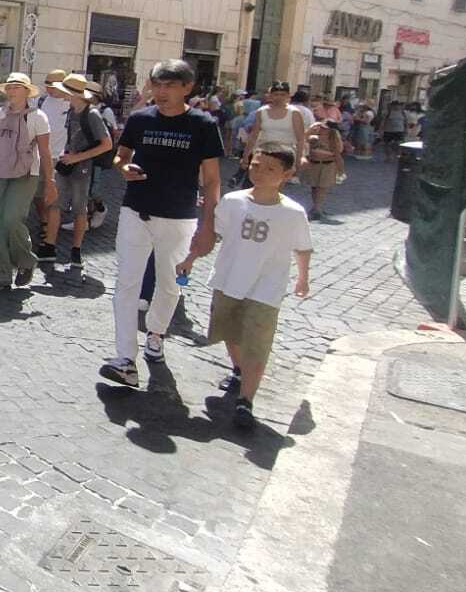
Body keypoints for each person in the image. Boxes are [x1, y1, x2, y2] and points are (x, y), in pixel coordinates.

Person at [101, 59, 223, 389]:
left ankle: (155, 334)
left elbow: (212, 179)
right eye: (157, 84)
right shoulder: (140, 119)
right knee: (126, 284)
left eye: (170, 85)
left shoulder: (203, 124)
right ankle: (125, 358)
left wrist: (209, 225)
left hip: (179, 217)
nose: (162, 91)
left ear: (187, 88)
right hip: (135, 211)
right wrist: (123, 168)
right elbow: (120, 156)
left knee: (169, 284)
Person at [176, 145, 311, 430]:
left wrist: (303, 277)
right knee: (229, 332)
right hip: (229, 280)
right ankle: (238, 368)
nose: (260, 173)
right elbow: (212, 235)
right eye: (256, 165)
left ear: (287, 175)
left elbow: (302, 247)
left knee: (257, 344)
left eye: (270, 169)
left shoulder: (293, 212)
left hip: (266, 288)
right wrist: (190, 258)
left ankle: (245, 401)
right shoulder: (232, 201)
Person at [0, 72, 56, 290]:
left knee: (12, 219)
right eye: (9, 87)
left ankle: (26, 261)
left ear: (27, 92)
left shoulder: (38, 117)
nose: (11, 90)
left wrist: (50, 181)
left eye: (16, 87)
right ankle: (3, 274)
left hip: (26, 173)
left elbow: (45, 151)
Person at [43, 74, 113, 275]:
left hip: (82, 168)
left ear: (74, 94)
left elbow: (107, 144)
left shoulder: (92, 114)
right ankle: (49, 246)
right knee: (55, 204)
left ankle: (76, 250)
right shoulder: (71, 110)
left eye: (65, 90)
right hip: (67, 164)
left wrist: (77, 157)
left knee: (80, 209)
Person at [34, 70, 74, 262]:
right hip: (40, 156)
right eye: (47, 84)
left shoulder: (71, 104)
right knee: (37, 194)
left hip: (60, 157)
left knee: (53, 197)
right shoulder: (41, 101)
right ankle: (44, 221)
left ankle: (50, 233)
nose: (49, 88)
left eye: (53, 85)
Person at [242, 82, 306, 173]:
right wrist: (246, 156)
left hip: (285, 153)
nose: (279, 97)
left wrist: (299, 158)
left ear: (288, 96)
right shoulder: (261, 111)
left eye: (282, 95)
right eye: (276, 94)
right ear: (270, 95)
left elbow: (300, 138)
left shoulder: (294, 113)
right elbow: (253, 135)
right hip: (264, 151)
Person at [300, 111, 344, 220]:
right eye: (322, 127)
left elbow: (338, 153)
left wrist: (340, 169)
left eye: (325, 128)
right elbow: (302, 139)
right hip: (315, 164)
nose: (322, 130)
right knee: (314, 187)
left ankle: (317, 208)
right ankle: (316, 208)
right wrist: (311, 129)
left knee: (322, 188)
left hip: (328, 165)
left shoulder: (333, 139)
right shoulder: (314, 138)